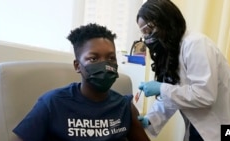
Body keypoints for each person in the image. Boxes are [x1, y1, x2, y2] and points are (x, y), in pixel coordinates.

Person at [13, 23, 150, 141]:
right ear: (77, 66)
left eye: (111, 58)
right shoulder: (53, 103)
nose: (105, 65)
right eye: (93, 59)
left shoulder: (125, 107)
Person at [136, 0, 230, 141]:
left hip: (227, 126)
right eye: (144, 33)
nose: (148, 38)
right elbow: (172, 97)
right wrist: (150, 119)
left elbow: (204, 95)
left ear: (165, 20)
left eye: (149, 30)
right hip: (200, 126)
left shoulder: (196, 44)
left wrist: (161, 88)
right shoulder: (171, 53)